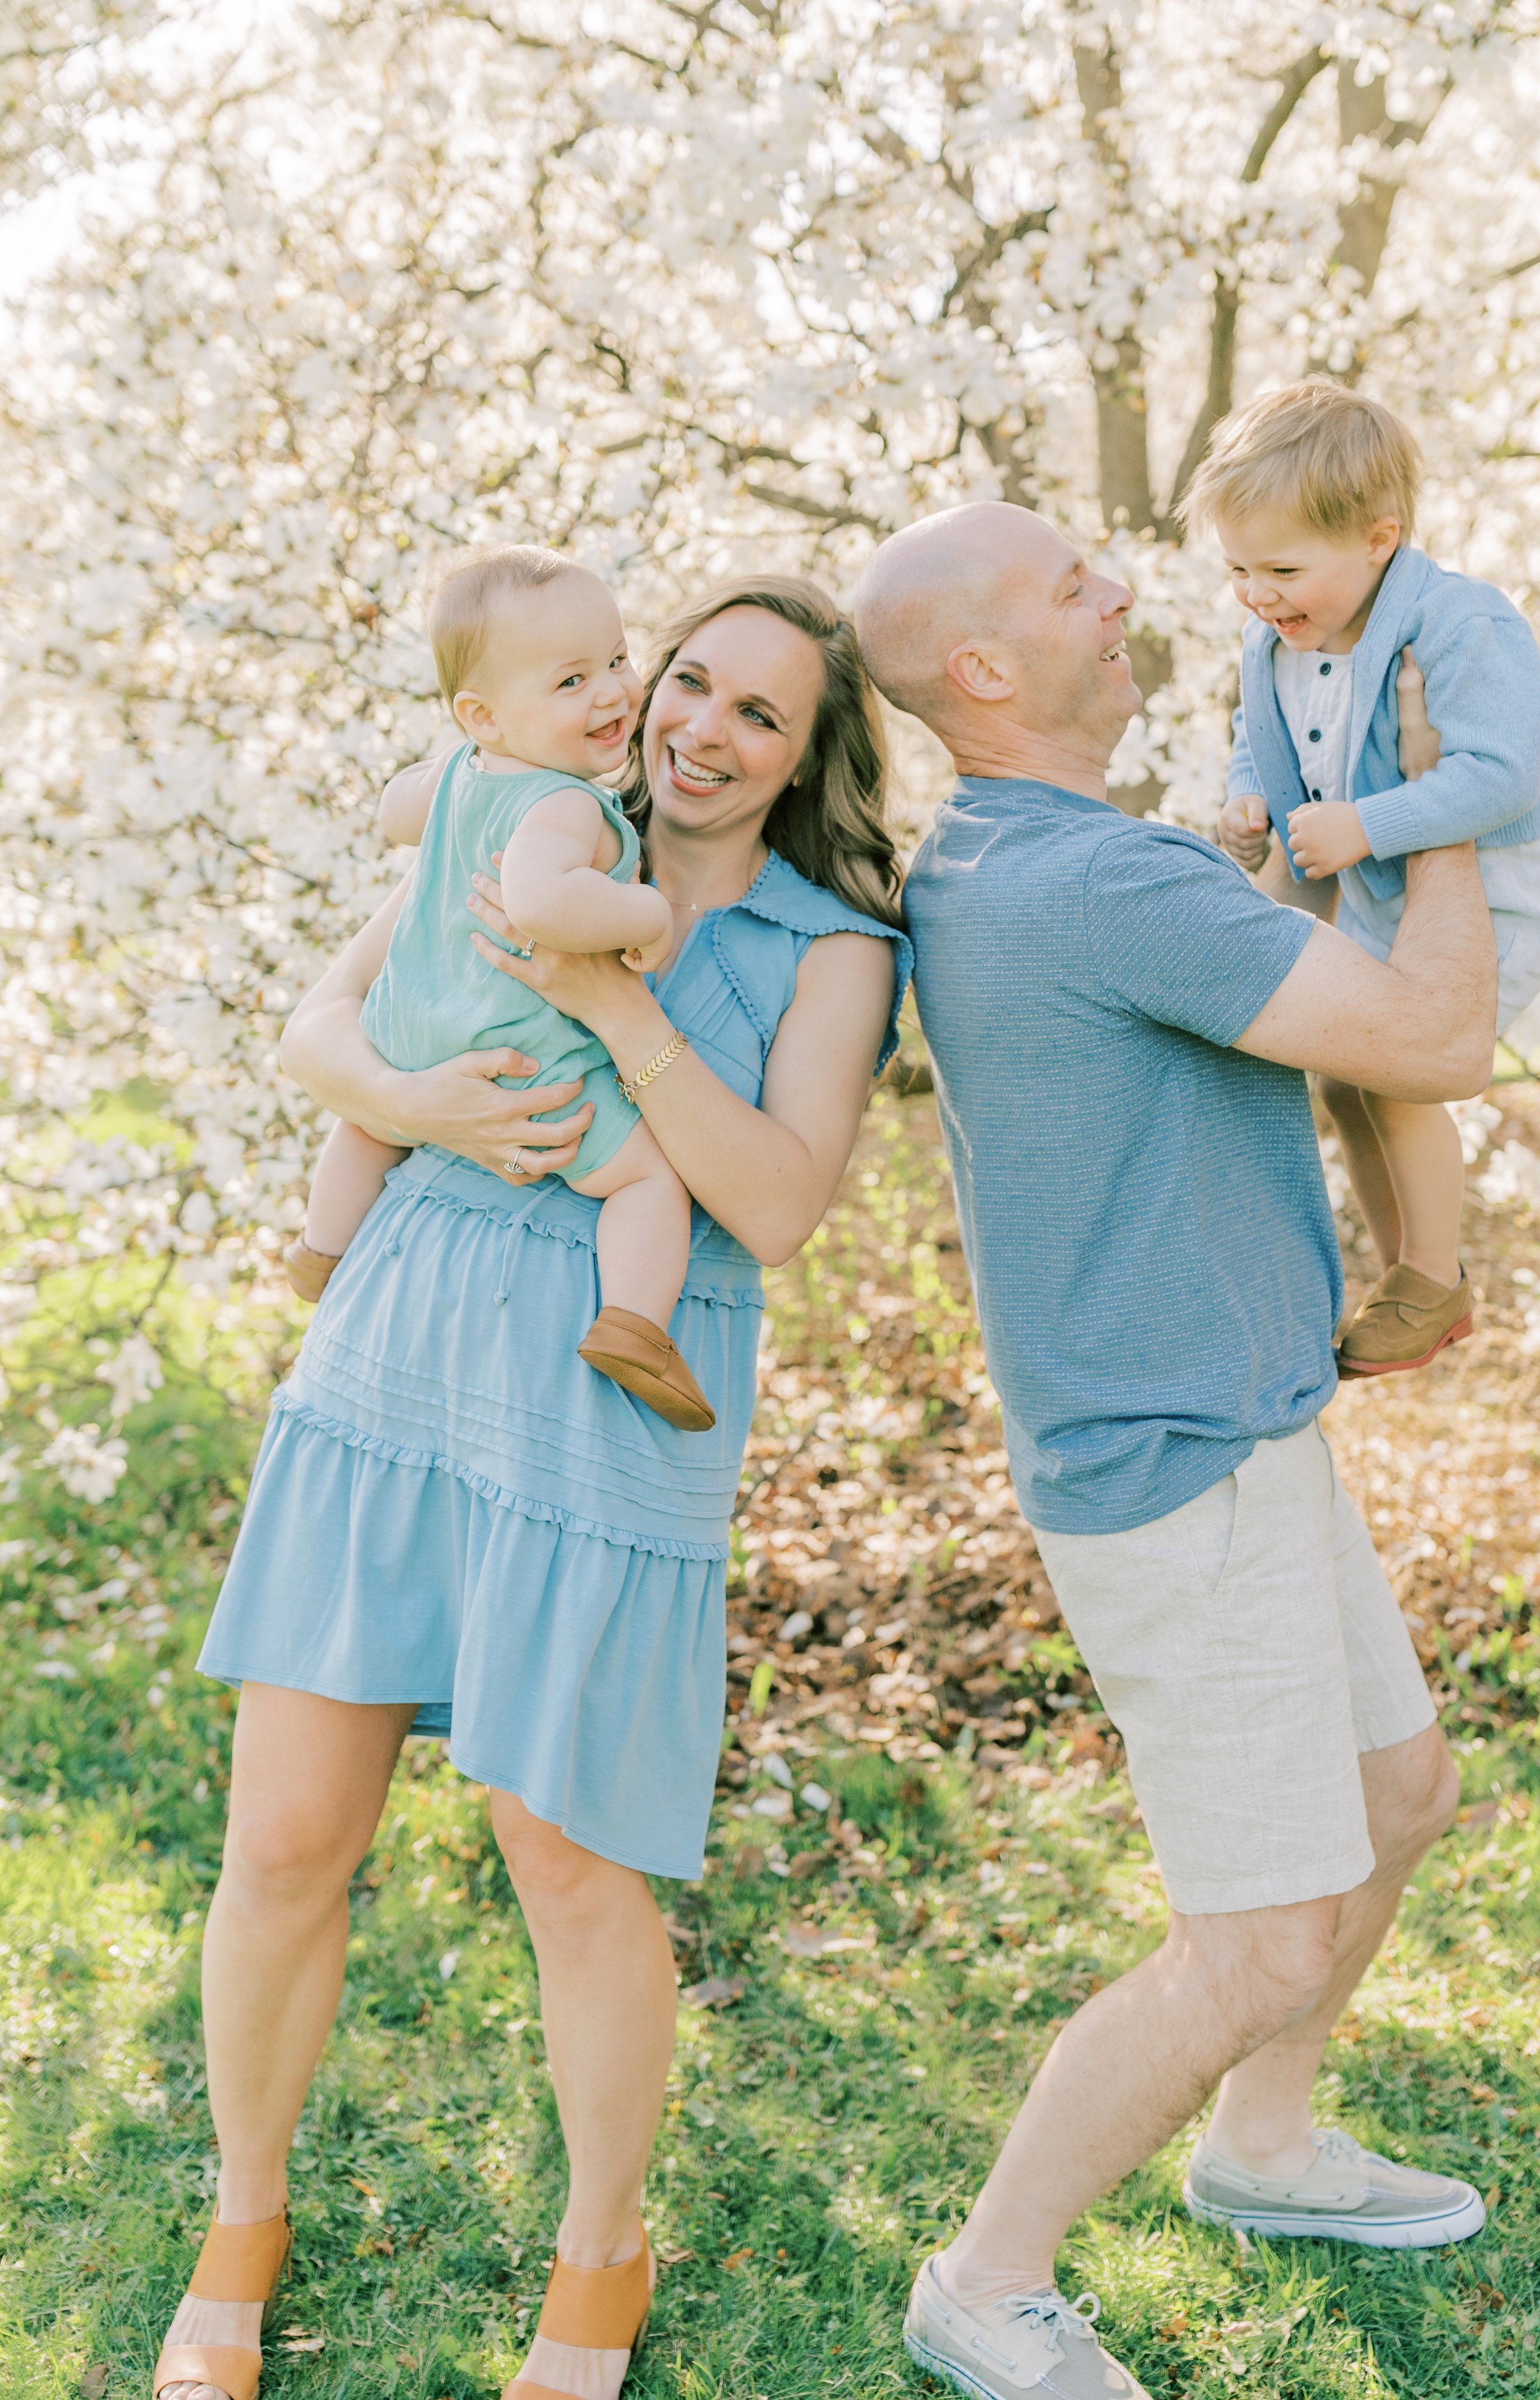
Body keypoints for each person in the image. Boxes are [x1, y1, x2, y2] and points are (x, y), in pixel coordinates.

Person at [151, 576, 912, 2400]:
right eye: (688, 685)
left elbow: (782, 1203)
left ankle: (600, 2253)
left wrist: (605, 1004)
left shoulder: (832, 946)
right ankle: (239, 2220)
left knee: (571, 1872)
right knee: (281, 1842)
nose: (701, 731)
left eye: (758, 716)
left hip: (605, 1410)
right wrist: (422, 1102)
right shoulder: (538, 810)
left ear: (809, 757)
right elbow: (324, 1030)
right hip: (398, 1356)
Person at [855, 501, 1494, 2400]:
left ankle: (1263, 2147)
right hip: (1176, 1471)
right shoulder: (1093, 882)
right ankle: (985, 2276)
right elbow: (1436, 1034)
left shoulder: (1013, 851)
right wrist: (1435, 801)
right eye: (1070, 586)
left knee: (1394, 1793)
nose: (1124, 594)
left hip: (1238, 1423)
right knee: (1258, 1934)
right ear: (980, 669)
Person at [286, 545, 711, 1431]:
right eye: (568, 682)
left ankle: (322, 1251)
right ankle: (636, 1325)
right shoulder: (564, 804)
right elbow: (542, 902)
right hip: (515, 1052)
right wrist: (644, 917)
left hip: (408, 1031)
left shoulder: (462, 778)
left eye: (617, 661)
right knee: (648, 1181)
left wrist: (471, 756)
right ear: (483, 713)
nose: (610, 694)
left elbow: (392, 811)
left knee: (369, 1122)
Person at [1197, 380, 1540, 1377]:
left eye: (1281, 566)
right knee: (1344, 1077)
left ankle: (1435, 1276)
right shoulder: (1276, 641)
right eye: (1237, 569)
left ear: (1378, 537)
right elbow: (1259, 739)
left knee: (1400, 1076)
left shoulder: (1459, 624)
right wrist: (1249, 801)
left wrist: (1369, 823)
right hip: (1372, 900)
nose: (1259, 594)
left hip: (1484, 899)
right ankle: (1405, 1265)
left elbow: (1500, 775)